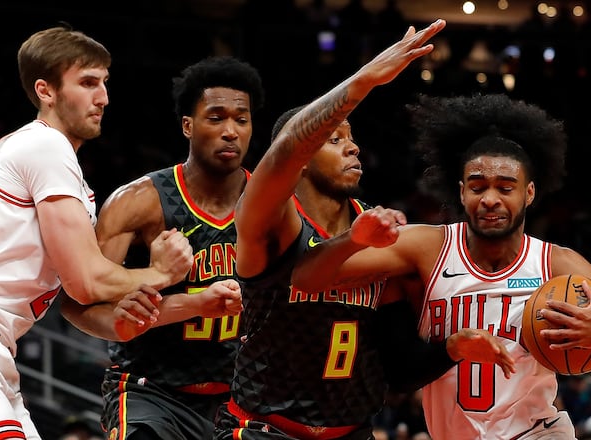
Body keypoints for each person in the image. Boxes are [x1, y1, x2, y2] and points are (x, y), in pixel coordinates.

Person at [212, 19, 515, 440]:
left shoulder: (380, 228)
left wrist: (453, 348)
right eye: (334, 140)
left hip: (354, 431)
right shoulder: (272, 221)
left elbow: (397, 369)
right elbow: (284, 150)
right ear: (301, 159)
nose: (352, 146)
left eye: (351, 137)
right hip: (265, 429)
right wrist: (362, 82)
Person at [291, 93, 591, 439]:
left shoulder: (560, 265)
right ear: (462, 191)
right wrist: (353, 239)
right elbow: (306, 277)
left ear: (529, 193)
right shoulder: (428, 247)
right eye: (478, 186)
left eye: (505, 187)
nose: (491, 199)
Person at [0, 25, 192, 440]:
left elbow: (77, 294)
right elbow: (86, 282)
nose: (103, 97)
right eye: (87, 83)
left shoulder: (55, 164)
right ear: (45, 91)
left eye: (104, 83)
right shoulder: (46, 147)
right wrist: (161, 274)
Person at [59, 55, 263, 439]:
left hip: (239, 399)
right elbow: (75, 302)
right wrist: (122, 324)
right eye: (216, 118)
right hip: (150, 390)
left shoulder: (272, 206)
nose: (231, 131)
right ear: (188, 126)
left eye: (242, 118)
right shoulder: (139, 202)